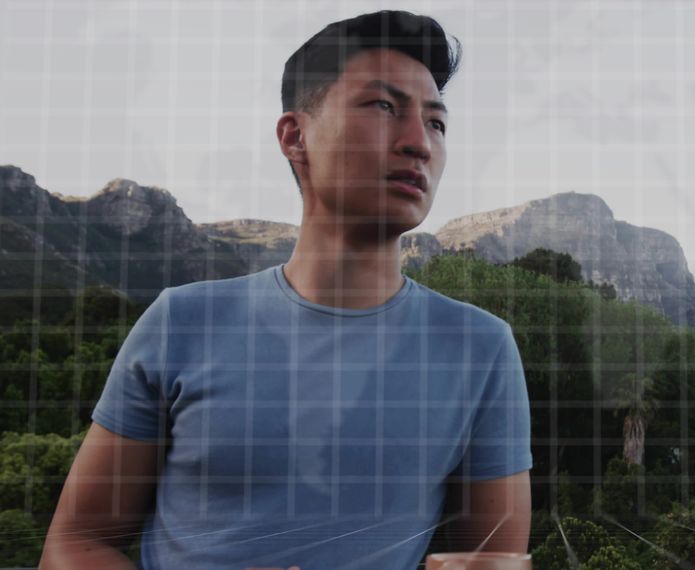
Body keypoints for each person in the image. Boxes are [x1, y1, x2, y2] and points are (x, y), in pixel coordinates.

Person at [41, 11, 532, 569]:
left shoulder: (480, 348)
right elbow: (76, 544)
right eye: (383, 106)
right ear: (295, 136)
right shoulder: (182, 323)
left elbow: (491, 561)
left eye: (437, 123)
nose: (419, 143)